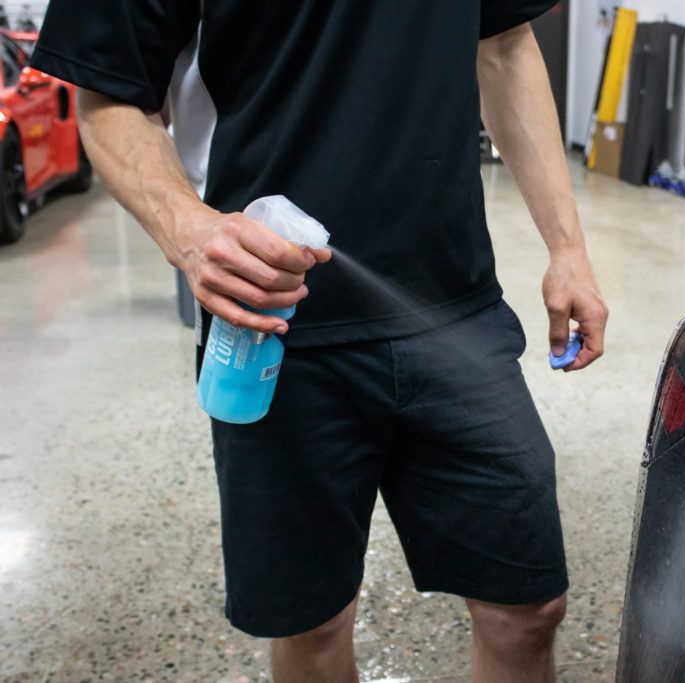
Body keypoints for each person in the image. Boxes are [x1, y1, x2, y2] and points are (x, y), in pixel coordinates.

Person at [32, 2, 607, 681]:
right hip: (274, 325)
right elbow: (109, 92)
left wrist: (567, 246)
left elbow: (505, 46)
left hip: (455, 308)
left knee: (529, 606)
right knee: (314, 624)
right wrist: (186, 227)